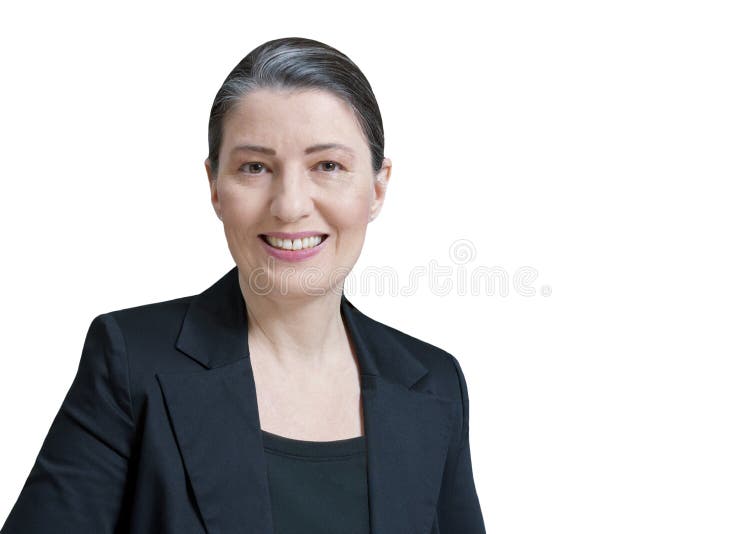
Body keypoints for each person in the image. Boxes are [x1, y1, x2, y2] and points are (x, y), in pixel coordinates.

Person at [1, 36, 486, 534]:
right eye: (255, 167)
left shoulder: (433, 383)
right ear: (214, 185)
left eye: (328, 166)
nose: (290, 204)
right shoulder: (131, 364)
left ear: (378, 187)